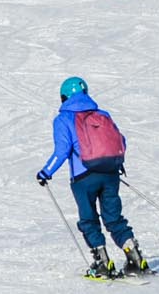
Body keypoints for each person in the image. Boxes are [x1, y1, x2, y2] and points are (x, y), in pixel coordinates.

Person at [37, 76, 147, 279]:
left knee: (89, 220)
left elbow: (62, 150)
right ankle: (135, 257)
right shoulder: (102, 114)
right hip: (110, 173)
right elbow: (120, 141)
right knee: (114, 218)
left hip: (83, 177)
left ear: (64, 97)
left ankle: (103, 262)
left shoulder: (63, 119)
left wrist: (46, 172)